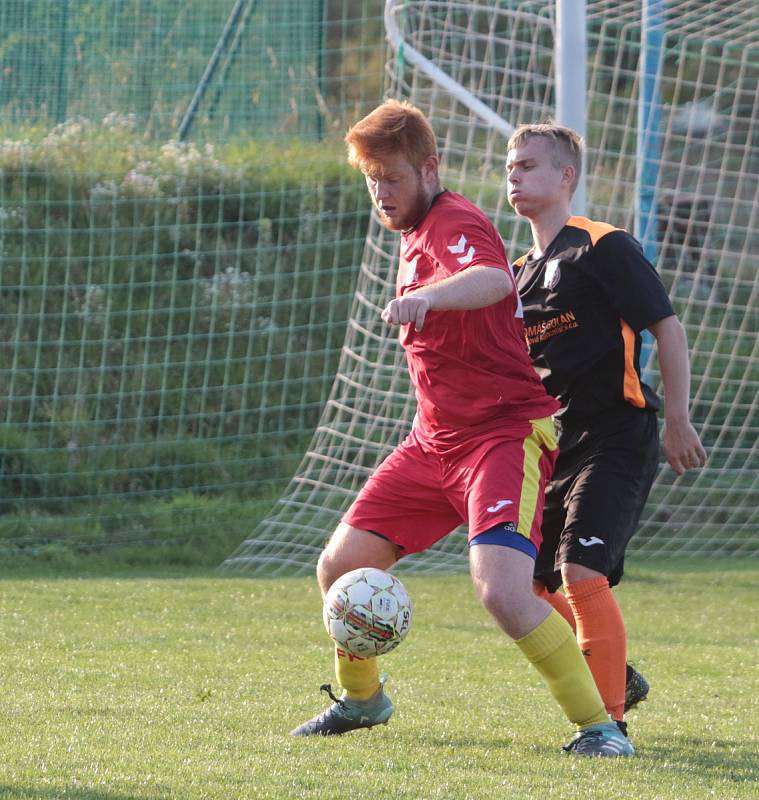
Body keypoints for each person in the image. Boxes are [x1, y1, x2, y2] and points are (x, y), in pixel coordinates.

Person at [290, 100, 634, 757]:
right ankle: (362, 701)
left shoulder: (453, 219)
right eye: (371, 179)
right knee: (339, 565)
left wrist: (426, 297)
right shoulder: (410, 234)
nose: (381, 193)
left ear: (428, 168)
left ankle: (601, 730)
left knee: (501, 591)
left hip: (501, 436)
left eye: (392, 178)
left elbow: (491, 279)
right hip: (433, 441)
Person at [505, 122, 707, 744]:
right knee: (527, 589)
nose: (514, 175)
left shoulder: (602, 246)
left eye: (529, 166)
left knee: (583, 575)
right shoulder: (515, 274)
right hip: (553, 448)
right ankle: (617, 667)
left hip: (617, 433)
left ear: (566, 177)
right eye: (510, 167)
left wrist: (677, 417)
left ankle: (608, 726)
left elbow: (665, 328)